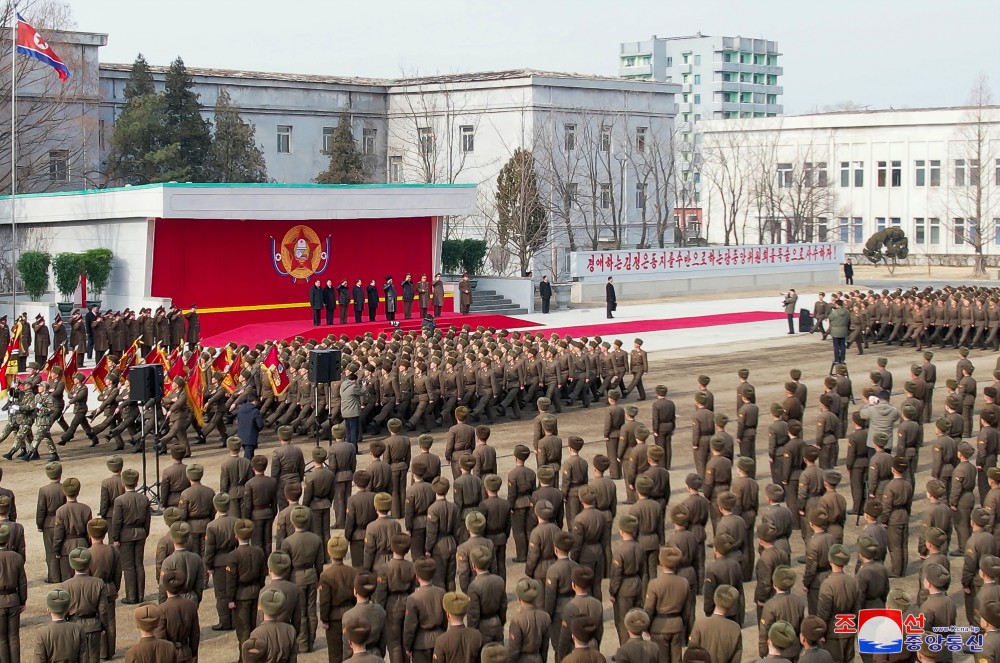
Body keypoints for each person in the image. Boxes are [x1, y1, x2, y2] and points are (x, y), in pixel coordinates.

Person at [237, 394, 264, 459]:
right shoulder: (255, 411)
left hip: (241, 435)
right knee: (248, 457)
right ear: (254, 401)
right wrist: (256, 430)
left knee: (249, 455)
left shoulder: (240, 409)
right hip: (251, 436)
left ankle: (250, 468)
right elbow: (260, 425)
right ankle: (246, 468)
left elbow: (238, 420)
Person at [828, 299, 850, 366]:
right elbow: (849, 320)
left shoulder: (834, 312)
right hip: (844, 330)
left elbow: (830, 318)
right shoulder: (847, 312)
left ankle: (837, 359)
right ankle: (842, 358)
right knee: (843, 345)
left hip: (835, 331)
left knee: (836, 346)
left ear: (837, 305)